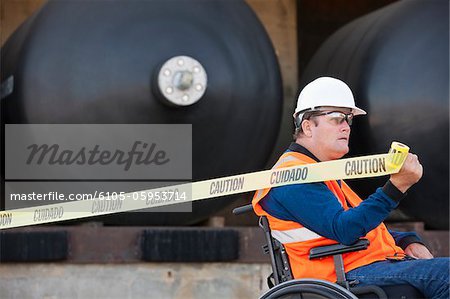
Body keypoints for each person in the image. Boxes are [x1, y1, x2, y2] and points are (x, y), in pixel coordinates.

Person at [252, 77, 449, 298]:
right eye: (337, 118)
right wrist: (396, 187)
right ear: (307, 126)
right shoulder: (293, 176)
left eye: (349, 119)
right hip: (339, 275)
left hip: (357, 266)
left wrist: (406, 240)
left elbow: (363, 228)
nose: (346, 127)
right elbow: (345, 229)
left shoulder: (319, 170)